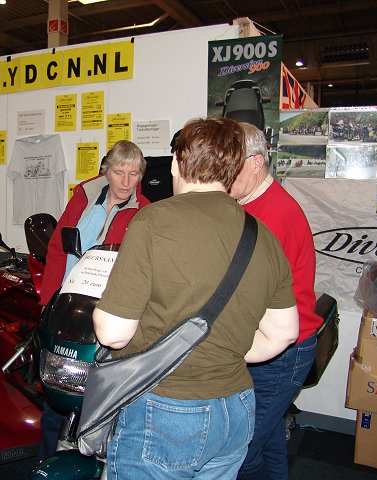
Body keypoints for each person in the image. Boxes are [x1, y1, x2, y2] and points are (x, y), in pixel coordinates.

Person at [92, 117, 299, 479]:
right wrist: (220, 350)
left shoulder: (154, 220)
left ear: (176, 162)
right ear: (232, 169)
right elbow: (284, 333)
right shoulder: (261, 234)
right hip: (236, 408)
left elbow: (113, 333)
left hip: (166, 407)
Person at [37, 139, 150, 459]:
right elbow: (58, 250)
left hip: (106, 315)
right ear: (106, 171)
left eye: (133, 174)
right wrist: (47, 303)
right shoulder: (84, 198)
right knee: (56, 395)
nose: (126, 182)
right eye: (119, 172)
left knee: (97, 399)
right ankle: (47, 461)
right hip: (67, 307)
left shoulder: (145, 212)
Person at [232, 122, 323, 480]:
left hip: (283, 351)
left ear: (256, 163)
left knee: (242, 451)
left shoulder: (272, 214)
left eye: (231, 163)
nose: (222, 172)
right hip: (270, 342)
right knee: (269, 440)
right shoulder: (250, 204)